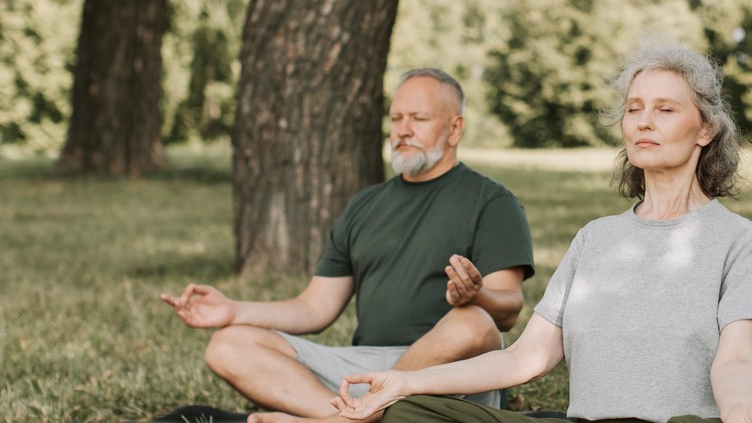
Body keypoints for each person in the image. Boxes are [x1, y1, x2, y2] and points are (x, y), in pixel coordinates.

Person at [330, 43, 752, 423]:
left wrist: (740, 410)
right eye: (634, 109)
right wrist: (405, 381)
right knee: (409, 412)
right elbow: (525, 358)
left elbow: (737, 358)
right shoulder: (595, 239)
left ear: (705, 128)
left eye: (665, 109)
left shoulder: (738, 241)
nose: (644, 121)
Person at [161, 68, 535, 423]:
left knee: (474, 322)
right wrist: (232, 311)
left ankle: (340, 418)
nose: (403, 130)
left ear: (455, 129)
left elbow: (507, 312)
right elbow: (314, 308)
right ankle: (352, 418)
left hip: (445, 371)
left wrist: (478, 294)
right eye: (395, 119)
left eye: (418, 119)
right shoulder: (365, 205)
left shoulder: (491, 201)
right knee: (228, 345)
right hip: (366, 369)